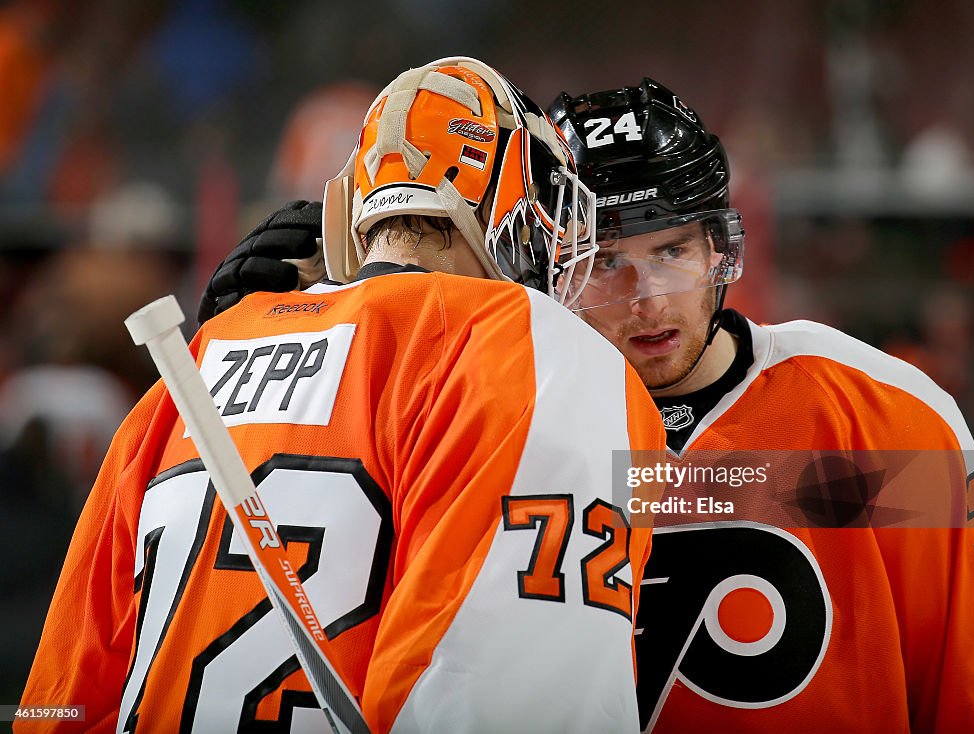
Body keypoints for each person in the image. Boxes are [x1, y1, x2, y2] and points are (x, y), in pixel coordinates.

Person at [200, 77, 974, 733]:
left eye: (673, 250)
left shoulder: (884, 414)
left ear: (719, 248)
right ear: (539, 258)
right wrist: (288, 352)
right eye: (602, 262)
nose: (647, 299)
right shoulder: (496, 413)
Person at [19, 58, 666, 733]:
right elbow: (502, 706)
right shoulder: (535, 352)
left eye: (671, 250)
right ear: (505, 199)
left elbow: (57, 698)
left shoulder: (195, 364)